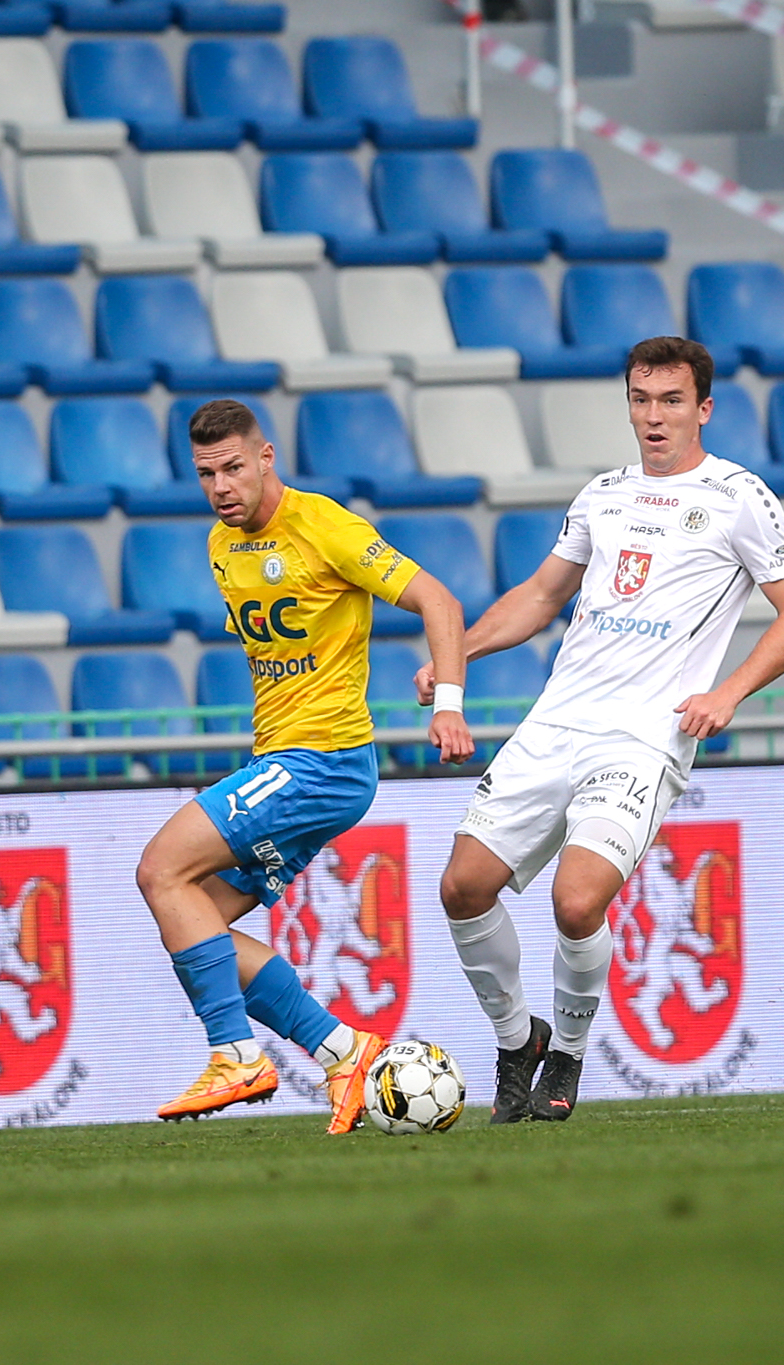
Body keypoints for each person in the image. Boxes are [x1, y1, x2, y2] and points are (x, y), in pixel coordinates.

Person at [427, 336, 784, 1124]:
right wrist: (456, 651)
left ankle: (567, 1051)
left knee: (577, 902)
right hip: (556, 721)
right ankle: (518, 1041)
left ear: (704, 408)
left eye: (671, 400)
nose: (654, 416)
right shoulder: (603, 494)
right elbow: (543, 596)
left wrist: (729, 692)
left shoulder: (739, 496)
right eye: (641, 399)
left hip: (642, 738)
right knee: (461, 888)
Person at [137, 400, 475, 1132]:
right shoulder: (222, 545)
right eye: (206, 474)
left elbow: (439, 601)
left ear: (267, 458)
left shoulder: (324, 526)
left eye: (233, 468)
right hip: (287, 761)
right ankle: (342, 1049)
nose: (221, 487)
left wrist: (448, 704)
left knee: (161, 869)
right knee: (191, 917)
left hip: (323, 759)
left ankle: (236, 1055)